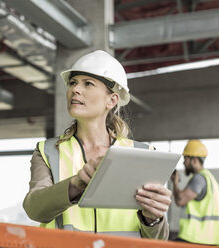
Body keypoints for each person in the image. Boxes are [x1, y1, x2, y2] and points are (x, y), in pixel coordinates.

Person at [23, 50, 171, 239]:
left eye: (88, 84)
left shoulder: (144, 154)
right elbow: (35, 210)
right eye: (73, 83)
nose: (76, 89)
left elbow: (158, 241)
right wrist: (75, 184)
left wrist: (153, 219)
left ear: (112, 100)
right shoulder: (49, 151)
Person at [171, 140, 219, 245]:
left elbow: (180, 200)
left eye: (186, 159)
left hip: (195, 238)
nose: (184, 163)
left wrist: (175, 182)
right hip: (211, 239)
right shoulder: (210, 179)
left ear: (195, 160)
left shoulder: (199, 178)